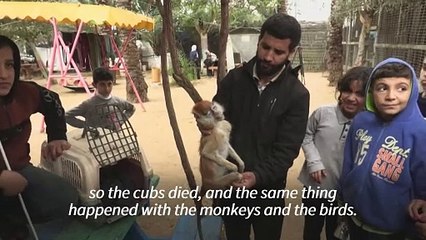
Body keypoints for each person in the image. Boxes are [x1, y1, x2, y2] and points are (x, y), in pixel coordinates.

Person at [207, 13, 310, 240]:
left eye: (278, 52)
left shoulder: (297, 95)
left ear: (291, 53)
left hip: (268, 193)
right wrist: (207, 123)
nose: (269, 57)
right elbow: (216, 125)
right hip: (230, 187)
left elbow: (287, 150)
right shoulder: (233, 80)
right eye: (265, 47)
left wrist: (258, 176)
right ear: (259, 41)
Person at [0, 35, 79, 239]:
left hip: (21, 171)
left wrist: (57, 136)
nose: (3, 74)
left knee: (66, 199)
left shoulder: (24, 92)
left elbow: (52, 101)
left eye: (9, 65)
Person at [340, 58, 426, 240]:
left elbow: (422, 176)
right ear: (371, 92)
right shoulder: (361, 121)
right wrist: (344, 194)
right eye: (382, 88)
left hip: (391, 229)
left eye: (401, 88)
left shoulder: (420, 132)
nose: (390, 96)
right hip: (353, 217)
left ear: (413, 91)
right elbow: (349, 160)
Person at [298, 66, 372, 240]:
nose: (351, 98)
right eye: (347, 90)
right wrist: (314, 162)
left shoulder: (369, 126)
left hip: (342, 196)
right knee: (311, 230)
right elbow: (306, 135)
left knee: (337, 234)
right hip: (315, 189)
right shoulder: (323, 114)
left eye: (359, 94)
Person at [65, 67, 136, 129]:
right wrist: (86, 126)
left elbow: (131, 108)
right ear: (94, 85)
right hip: (97, 140)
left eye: (109, 84)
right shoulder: (89, 104)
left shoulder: (118, 101)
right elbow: (66, 116)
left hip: (116, 138)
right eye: (102, 84)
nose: (107, 88)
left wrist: (120, 121)